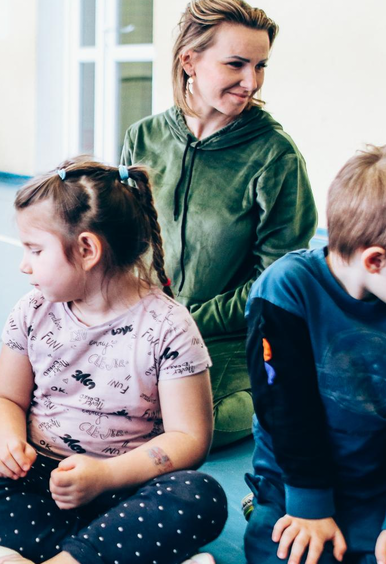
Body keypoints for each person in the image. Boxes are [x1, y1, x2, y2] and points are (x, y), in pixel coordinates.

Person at [0, 160, 228, 564]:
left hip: (129, 486)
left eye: (35, 249)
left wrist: (106, 476)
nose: (24, 264)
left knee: (199, 497)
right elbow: (5, 399)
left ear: (87, 249)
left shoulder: (168, 327)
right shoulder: (33, 311)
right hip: (44, 478)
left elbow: (190, 439)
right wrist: (8, 444)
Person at [120, 0, 316, 448]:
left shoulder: (276, 156)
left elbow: (278, 282)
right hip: (143, 326)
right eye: (236, 64)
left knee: (187, 424)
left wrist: (184, 322)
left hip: (228, 338)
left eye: (260, 66)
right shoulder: (142, 137)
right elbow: (125, 243)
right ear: (189, 60)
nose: (252, 82)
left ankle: (277, 386)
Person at [243, 141, 386, 564]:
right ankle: (264, 509)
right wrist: (310, 507)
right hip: (295, 480)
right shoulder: (285, 290)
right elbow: (284, 409)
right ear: (376, 260)